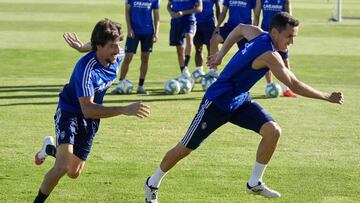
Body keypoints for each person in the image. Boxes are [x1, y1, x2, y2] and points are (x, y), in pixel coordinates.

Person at [144, 12, 343, 202]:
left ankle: (254, 182)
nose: (292, 42)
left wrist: (221, 54)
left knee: (273, 131)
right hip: (217, 102)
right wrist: (327, 97)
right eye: (289, 36)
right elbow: (294, 84)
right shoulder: (270, 55)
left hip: (239, 101)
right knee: (184, 149)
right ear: (274, 32)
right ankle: (152, 183)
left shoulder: (257, 33)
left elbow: (239, 29)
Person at [33, 19, 150, 203]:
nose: (118, 50)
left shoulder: (115, 56)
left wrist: (82, 46)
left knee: (74, 172)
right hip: (71, 111)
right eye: (112, 46)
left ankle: (49, 148)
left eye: (118, 45)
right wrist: (124, 109)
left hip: (92, 117)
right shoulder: (86, 69)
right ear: (99, 47)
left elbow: (98, 45)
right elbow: (87, 109)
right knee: (62, 167)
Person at [63, 0, 160, 95]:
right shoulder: (87, 65)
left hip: (148, 32)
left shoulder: (118, 53)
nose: (118, 50)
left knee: (144, 58)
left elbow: (156, 15)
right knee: (128, 58)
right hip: (134, 33)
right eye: (114, 46)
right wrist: (82, 48)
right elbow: (101, 43)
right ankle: (121, 84)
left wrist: (156, 33)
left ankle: (140, 86)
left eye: (118, 45)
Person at [253, 0, 296, 97]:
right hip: (266, 32)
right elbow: (256, 15)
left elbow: (289, 16)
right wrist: (255, 31)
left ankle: (286, 88)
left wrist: (289, 33)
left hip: (282, 34)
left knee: (285, 60)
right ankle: (270, 85)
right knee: (268, 59)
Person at [208, 0, 257, 76]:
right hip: (230, 27)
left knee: (247, 55)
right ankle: (213, 70)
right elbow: (223, 12)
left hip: (245, 28)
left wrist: (254, 30)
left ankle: (245, 75)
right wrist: (217, 26)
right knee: (213, 40)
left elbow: (256, 14)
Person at [167, 0, 203, 77]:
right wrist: (171, 13)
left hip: (189, 20)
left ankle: (185, 66)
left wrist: (183, 13)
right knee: (179, 49)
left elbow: (199, 8)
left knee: (189, 37)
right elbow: (169, 6)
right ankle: (184, 73)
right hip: (176, 22)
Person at [192, 0, 221, 77]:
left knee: (210, 48)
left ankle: (212, 70)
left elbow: (218, 7)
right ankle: (199, 70)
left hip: (209, 23)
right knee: (198, 48)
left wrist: (219, 25)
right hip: (195, 23)